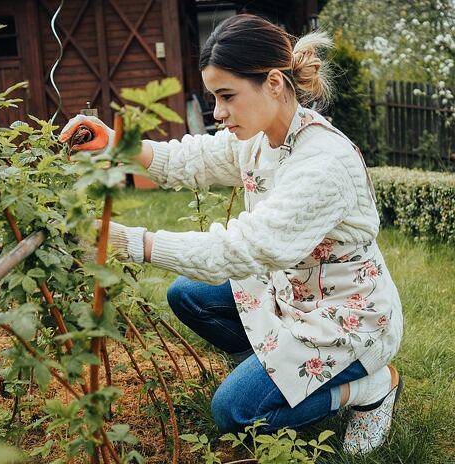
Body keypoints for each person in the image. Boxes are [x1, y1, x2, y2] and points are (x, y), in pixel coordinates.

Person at [60, 14, 403, 455]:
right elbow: (196, 160)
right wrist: (118, 145)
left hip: (342, 319)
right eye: (214, 97)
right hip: (291, 292)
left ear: (274, 83)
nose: (218, 113)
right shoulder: (263, 135)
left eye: (226, 96)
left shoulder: (322, 165)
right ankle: (278, 374)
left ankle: (370, 387)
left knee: (233, 414)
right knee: (188, 295)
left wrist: (129, 241)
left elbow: (240, 251)